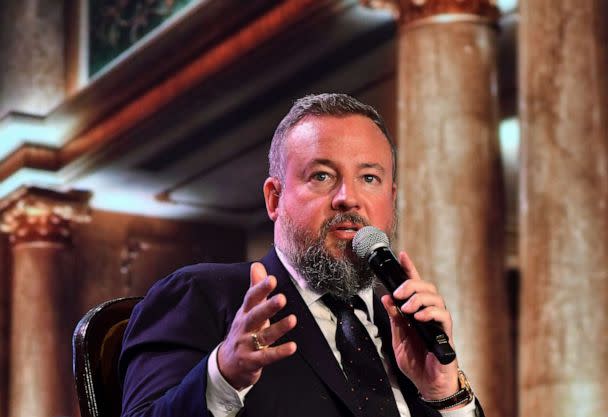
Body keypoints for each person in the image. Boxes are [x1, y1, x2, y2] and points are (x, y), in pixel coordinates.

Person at [119, 93, 484, 417]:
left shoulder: (409, 328)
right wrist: (223, 376)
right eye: (322, 176)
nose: (348, 197)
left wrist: (445, 395)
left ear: (391, 197)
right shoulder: (200, 294)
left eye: (369, 178)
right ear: (274, 199)